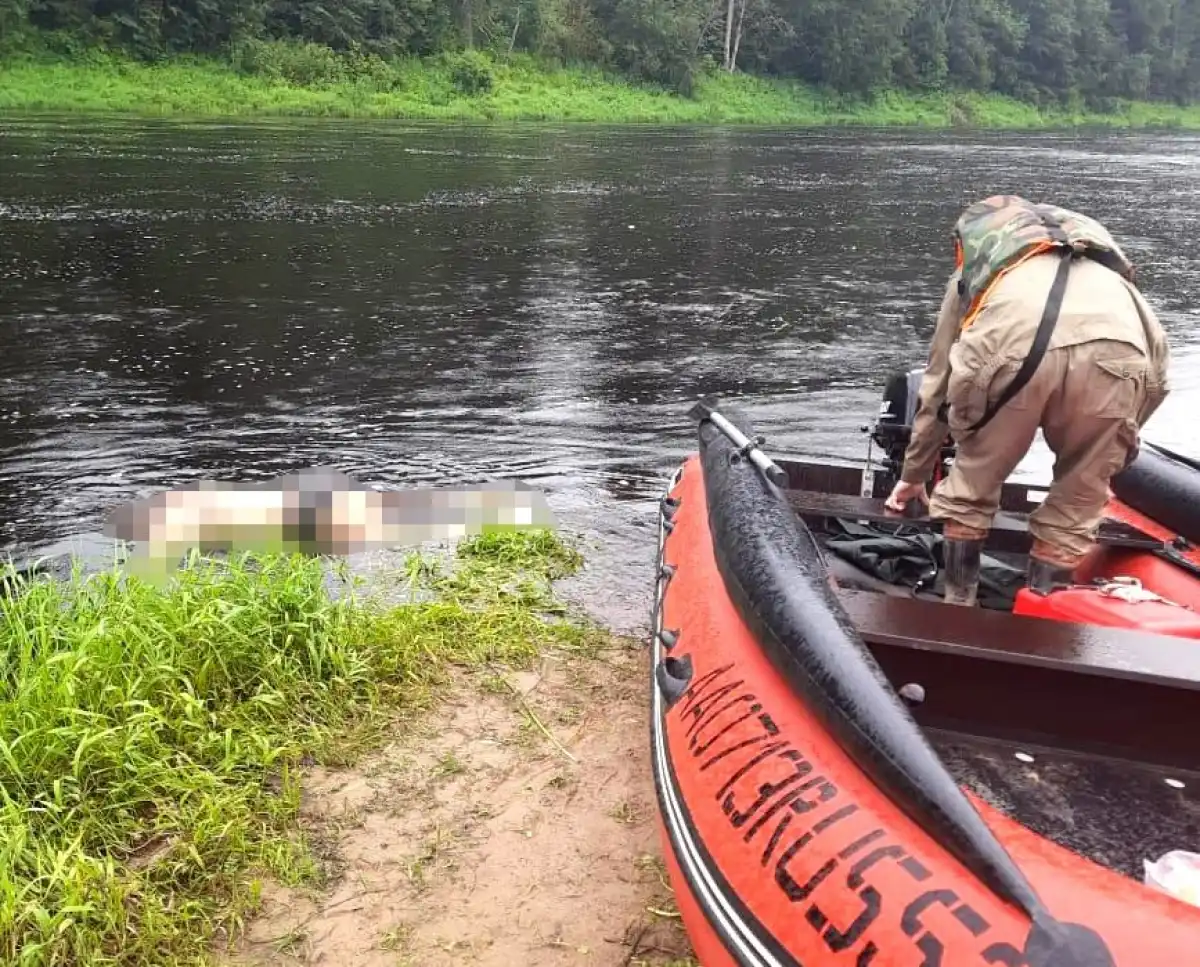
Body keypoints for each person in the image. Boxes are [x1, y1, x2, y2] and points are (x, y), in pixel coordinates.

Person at [885, 195, 1171, 606]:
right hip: (1119, 357)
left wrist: (914, 473)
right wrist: (1112, 451)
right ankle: (1042, 609)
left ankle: (957, 603)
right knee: (1077, 501)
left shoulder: (981, 276)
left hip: (1009, 351)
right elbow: (1158, 379)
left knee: (972, 483)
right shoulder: (1117, 285)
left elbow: (939, 384)